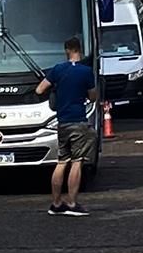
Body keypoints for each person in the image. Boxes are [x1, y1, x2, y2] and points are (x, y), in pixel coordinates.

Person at [36, 39, 100, 217]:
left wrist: (56, 89)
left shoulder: (57, 69)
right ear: (79, 50)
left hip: (62, 121)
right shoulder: (86, 72)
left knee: (61, 161)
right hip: (78, 120)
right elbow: (93, 97)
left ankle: (56, 203)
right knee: (77, 161)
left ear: (66, 50)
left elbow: (39, 90)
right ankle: (72, 203)